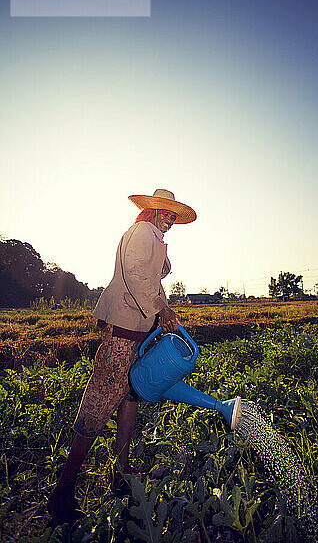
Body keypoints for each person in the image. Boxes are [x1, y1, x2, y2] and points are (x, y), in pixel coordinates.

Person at [47, 188, 196, 527]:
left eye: (174, 216)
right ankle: (63, 491)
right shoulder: (141, 232)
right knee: (101, 400)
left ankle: (122, 470)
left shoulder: (155, 240)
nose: (170, 220)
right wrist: (161, 309)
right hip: (122, 329)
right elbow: (135, 273)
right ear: (152, 211)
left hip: (138, 330)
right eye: (165, 213)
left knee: (131, 396)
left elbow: (155, 282)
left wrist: (163, 306)